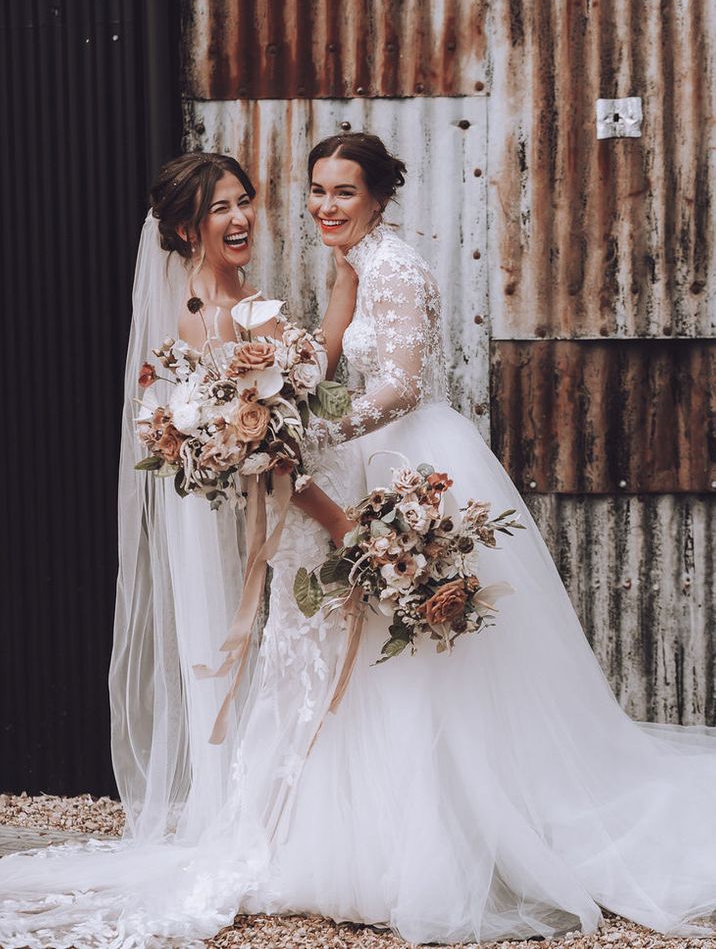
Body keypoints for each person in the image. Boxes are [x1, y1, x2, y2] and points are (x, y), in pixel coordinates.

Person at [253, 132, 716, 944]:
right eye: (317, 191)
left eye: (343, 194)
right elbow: (330, 358)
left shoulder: (396, 267)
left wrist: (318, 438)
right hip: (362, 448)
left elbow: (396, 384)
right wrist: (282, 407)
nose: (326, 206)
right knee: (365, 641)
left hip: (409, 454)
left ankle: (459, 841)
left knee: (428, 651)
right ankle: (376, 837)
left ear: (379, 200)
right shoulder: (352, 259)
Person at [0, 153, 363, 947]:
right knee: (302, 668)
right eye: (216, 210)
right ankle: (287, 825)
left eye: (243, 201)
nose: (238, 219)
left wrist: (337, 302)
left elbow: (287, 412)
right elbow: (276, 452)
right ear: (181, 228)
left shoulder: (211, 309)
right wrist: (342, 523)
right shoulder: (225, 318)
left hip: (272, 518)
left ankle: (283, 815)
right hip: (291, 519)